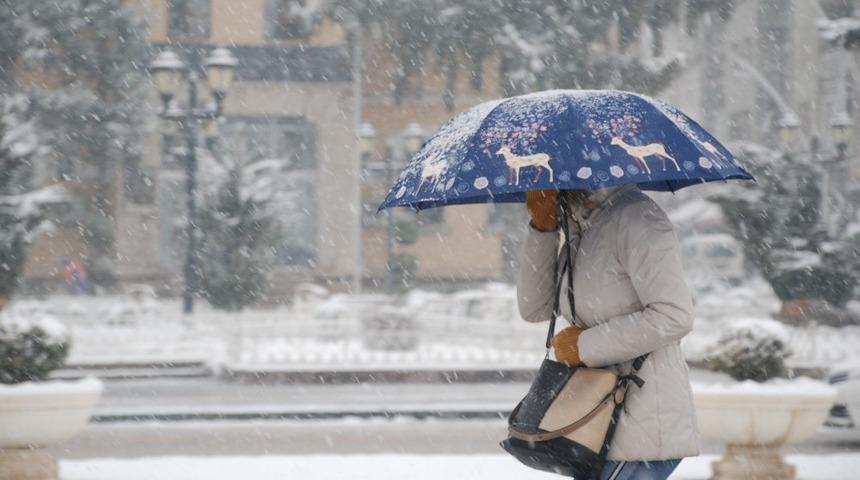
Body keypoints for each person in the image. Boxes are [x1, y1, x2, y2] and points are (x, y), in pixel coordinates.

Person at [517, 185, 699, 480]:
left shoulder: (637, 218)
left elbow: (674, 315)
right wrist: (543, 226)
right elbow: (534, 308)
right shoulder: (581, 225)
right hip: (595, 423)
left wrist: (583, 346)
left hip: (640, 426)